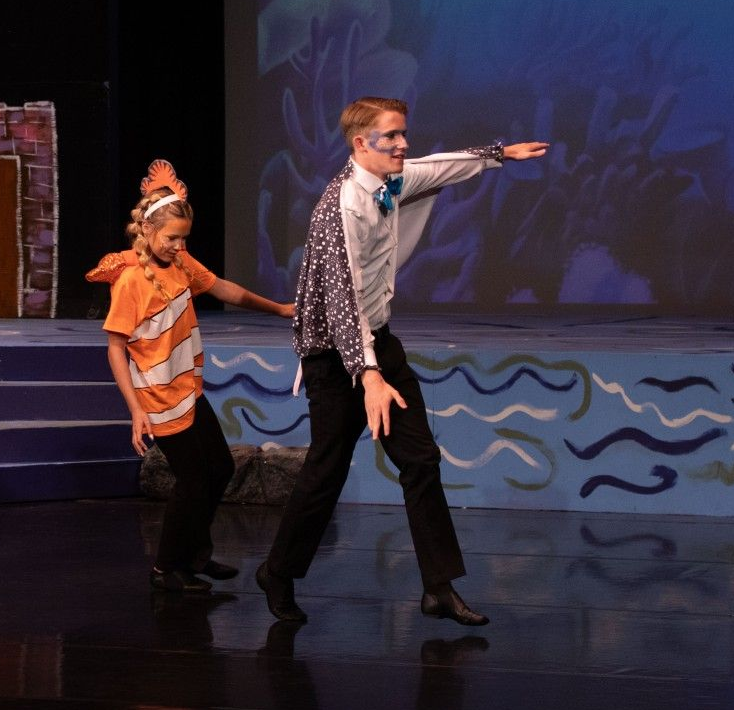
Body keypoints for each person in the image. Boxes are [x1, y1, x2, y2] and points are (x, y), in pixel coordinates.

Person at [255, 97, 548, 625]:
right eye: (391, 137)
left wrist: (499, 154)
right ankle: (277, 571)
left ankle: (438, 587)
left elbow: (440, 165)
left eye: (403, 134)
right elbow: (341, 302)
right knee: (326, 471)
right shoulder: (339, 207)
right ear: (360, 143)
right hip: (333, 357)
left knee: (420, 459)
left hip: (378, 344)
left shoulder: (390, 179)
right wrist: (366, 375)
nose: (403, 144)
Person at [89, 159, 292, 592]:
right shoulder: (130, 282)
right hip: (158, 398)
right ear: (147, 231)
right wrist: (135, 410)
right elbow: (115, 349)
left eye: (184, 239)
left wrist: (278, 310)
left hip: (187, 389)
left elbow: (222, 288)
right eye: (171, 238)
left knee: (218, 468)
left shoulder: (180, 263)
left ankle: (195, 556)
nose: (179, 247)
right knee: (194, 478)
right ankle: (166, 568)